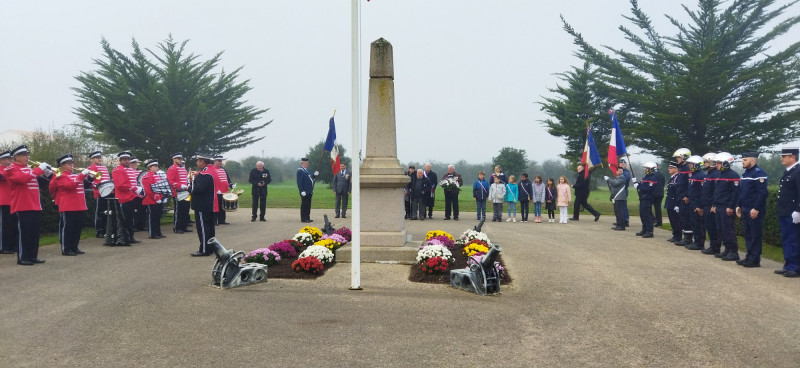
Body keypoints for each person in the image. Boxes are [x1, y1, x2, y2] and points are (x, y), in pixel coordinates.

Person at [5, 145, 52, 265]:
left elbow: (39, 184)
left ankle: (32, 256)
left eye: (27, 154)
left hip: (35, 204)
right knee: (24, 233)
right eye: (24, 155)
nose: (27, 157)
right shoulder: (11, 169)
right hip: (22, 204)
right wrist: (37, 170)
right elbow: (22, 179)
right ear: (16, 157)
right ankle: (23, 257)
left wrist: (47, 174)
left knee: (34, 232)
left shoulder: (29, 169)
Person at [49, 154, 90, 256]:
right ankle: (66, 249)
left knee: (77, 227)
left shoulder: (75, 175)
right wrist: (81, 176)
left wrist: (91, 177)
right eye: (68, 164)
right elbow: (69, 186)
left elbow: (85, 185)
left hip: (79, 204)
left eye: (72, 163)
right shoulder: (60, 176)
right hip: (68, 205)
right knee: (68, 228)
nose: (71, 165)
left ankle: (74, 247)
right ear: (62, 165)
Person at [735, 152, 768, 267]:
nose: (742, 162)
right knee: (748, 234)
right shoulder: (745, 174)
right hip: (745, 208)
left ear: (753, 160)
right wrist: (738, 205)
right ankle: (749, 256)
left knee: (755, 234)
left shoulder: (759, 173)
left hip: (754, 209)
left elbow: (762, 193)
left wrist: (756, 208)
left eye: (745, 160)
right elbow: (742, 191)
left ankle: (755, 259)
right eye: (742, 160)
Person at [775, 147, 800, 277]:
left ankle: (795, 267)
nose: (782, 158)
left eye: (785, 156)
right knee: (786, 239)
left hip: (792, 212)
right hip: (784, 211)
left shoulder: (798, 171)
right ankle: (788, 264)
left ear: (793, 157)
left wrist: (798, 210)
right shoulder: (789, 171)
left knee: (793, 239)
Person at [712, 152, 740, 261]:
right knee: (721, 229)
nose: (717, 165)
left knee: (728, 229)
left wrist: (731, 206)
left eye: (719, 163)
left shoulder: (733, 175)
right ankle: (727, 250)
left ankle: (733, 252)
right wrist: (714, 204)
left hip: (726, 206)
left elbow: (735, 193)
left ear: (726, 163)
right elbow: (717, 192)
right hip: (719, 206)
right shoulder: (720, 175)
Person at [112, 151, 141, 245]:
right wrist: (134, 188)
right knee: (124, 219)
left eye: (128, 159)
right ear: (120, 160)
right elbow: (120, 185)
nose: (127, 161)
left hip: (131, 196)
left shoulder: (130, 170)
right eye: (124, 159)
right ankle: (124, 238)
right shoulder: (118, 170)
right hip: (123, 198)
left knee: (130, 218)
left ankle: (130, 236)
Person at [190, 154, 216, 256]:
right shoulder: (211, 171)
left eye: (198, 161)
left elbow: (198, 189)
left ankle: (204, 249)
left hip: (202, 204)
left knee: (203, 228)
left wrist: (188, 187)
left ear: (202, 161)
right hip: (210, 204)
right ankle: (212, 247)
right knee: (209, 227)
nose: (197, 163)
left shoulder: (205, 173)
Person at [684, 156, 707, 250]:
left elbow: (702, 192)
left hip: (697, 202)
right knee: (694, 223)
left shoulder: (701, 176)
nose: (689, 165)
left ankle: (700, 243)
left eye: (691, 164)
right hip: (692, 202)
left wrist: (700, 205)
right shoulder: (692, 175)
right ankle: (696, 241)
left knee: (699, 224)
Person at [700, 153, 721, 255]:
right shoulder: (708, 174)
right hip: (706, 204)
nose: (704, 163)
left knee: (713, 227)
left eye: (706, 161)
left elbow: (715, 192)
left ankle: (715, 247)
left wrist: (713, 204)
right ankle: (713, 245)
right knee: (709, 226)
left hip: (711, 205)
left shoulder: (716, 174)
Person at [87, 150, 111, 238]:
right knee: (100, 212)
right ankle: (99, 231)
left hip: (107, 191)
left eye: (100, 157)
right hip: (99, 192)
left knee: (106, 212)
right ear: (92, 159)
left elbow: (107, 178)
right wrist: (96, 185)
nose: (99, 159)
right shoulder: (91, 168)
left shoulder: (104, 167)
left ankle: (105, 229)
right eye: (97, 158)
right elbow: (89, 182)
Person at [167, 152, 192, 233]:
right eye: (178, 158)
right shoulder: (172, 168)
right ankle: (177, 227)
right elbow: (170, 181)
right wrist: (181, 186)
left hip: (185, 191)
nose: (180, 160)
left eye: (181, 158)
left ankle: (184, 226)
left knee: (185, 210)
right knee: (179, 211)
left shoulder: (182, 168)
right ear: (174, 159)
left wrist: (187, 185)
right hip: (177, 192)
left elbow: (185, 179)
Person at [673, 148, 693, 246]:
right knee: (683, 218)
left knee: (687, 218)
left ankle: (688, 239)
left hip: (685, 197)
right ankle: (686, 237)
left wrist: (687, 196)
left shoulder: (688, 168)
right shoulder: (682, 168)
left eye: (679, 157)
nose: (677, 159)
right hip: (680, 196)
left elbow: (689, 184)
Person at [142, 159, 167, 239]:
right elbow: (148, 190)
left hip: (159, 199)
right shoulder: (147, 176)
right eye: (155, 166)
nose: (157, 168)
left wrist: (162, 196)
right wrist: (156, 198)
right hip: (151, 199)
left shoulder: (157, 176)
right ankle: (152, 233)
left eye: (157, 166)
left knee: (158, 216)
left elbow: (160, 187)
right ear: (149, 167)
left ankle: (158, 232)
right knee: (153, 217)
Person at [0, 150, 18, 255]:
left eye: (10, 159)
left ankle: (13, 245)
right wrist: (7, 170)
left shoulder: (12, 169)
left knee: (14, 225)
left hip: (14, 200)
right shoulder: (3, 169)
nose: (10, 161)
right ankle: (4, 246)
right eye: (7, 159)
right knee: (4, 225)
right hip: (4, 201)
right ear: (1, 160)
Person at [634, 162, 658, 238]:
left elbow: (649, 188)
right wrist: (636, 183)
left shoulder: (653, 178)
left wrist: (638, 186)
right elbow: (641, 185)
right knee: (642, 214)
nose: (645, 170)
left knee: (647, 215)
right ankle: (644, 229)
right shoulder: (645, 177)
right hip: (643, 198)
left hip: (648, 198)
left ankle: (649, 231)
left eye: (647, 168)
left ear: (651, 169)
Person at [665, 162, 682, 243]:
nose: (669, 169)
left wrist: (677, 204)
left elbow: (677, 192)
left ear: (676, 169)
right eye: (669, 168)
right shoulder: (672, 178)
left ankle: (678, 236)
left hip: (674, 202)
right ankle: (675, 235)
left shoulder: (677, 178)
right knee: (672, 219)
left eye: (671, 168)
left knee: (676, 220)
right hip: (670, 201)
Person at [296, 158, 318, 223]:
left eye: (307, 163)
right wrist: (301, 190)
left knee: (308, 205)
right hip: (304, 191)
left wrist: (314, 175)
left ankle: (307, 217)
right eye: (306, 163)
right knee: (304, 205)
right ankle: (304, 218)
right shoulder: (300, 171)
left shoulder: (307, 170)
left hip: (309, 190)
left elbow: (310, 177)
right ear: (302, 163)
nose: (307, 164)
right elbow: (299, 182)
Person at [213, 155, 233, 225]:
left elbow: (227, 179)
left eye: (221, 161)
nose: (220, 162)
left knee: (223, 206)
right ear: (215, 161)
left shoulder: (223, 170)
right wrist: (216, 189)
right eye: (218, 161)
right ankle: (214, 220)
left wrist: (231, 185)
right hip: (216, 191)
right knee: (216, 206)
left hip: (224, 191)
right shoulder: (212, 169)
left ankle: (222, 220)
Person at [128, 157, 147, 232]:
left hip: (141, 193)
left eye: (135, 163)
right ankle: (134, 225)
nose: (135, 164)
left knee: (142, 210)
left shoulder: (140, 172)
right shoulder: (129, 172)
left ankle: (141, 225)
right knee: (134, 211)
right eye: (133, 163)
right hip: (133, 194)